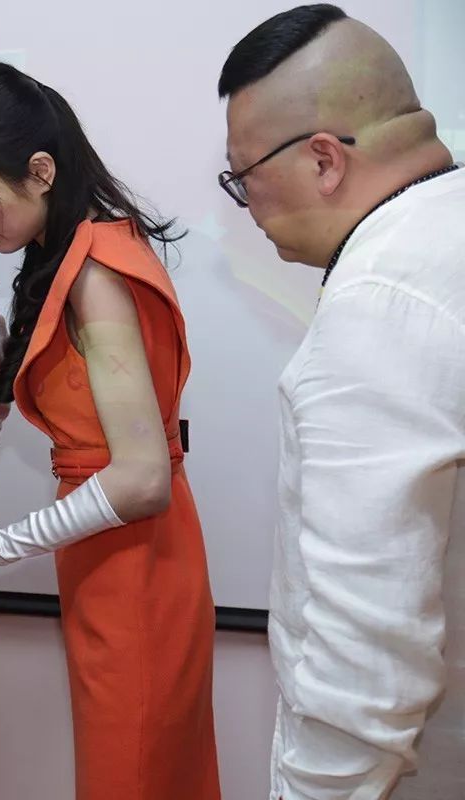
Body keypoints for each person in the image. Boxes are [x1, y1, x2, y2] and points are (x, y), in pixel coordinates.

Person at [0, 62, 221, 800]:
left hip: (135, 566)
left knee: (132, 776)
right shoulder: (75, 256)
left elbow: (140, 479)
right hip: (112, 560)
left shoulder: (96, 272)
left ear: (41, 171)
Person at [218, 6, 465, 798]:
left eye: (243, 178)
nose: (246, 203)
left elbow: (366, 661)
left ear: (324, 160)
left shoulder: (378, 306)